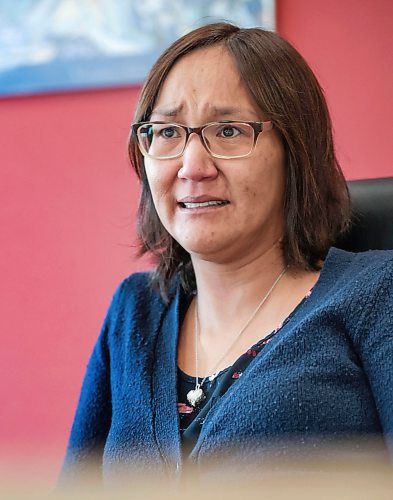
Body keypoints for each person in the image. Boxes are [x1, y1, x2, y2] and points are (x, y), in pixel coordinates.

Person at [61, 23, 393, 484]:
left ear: (296, 152)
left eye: (230, 130)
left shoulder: (377, 294)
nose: (192, 167)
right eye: (168, 131)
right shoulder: (135, 311)